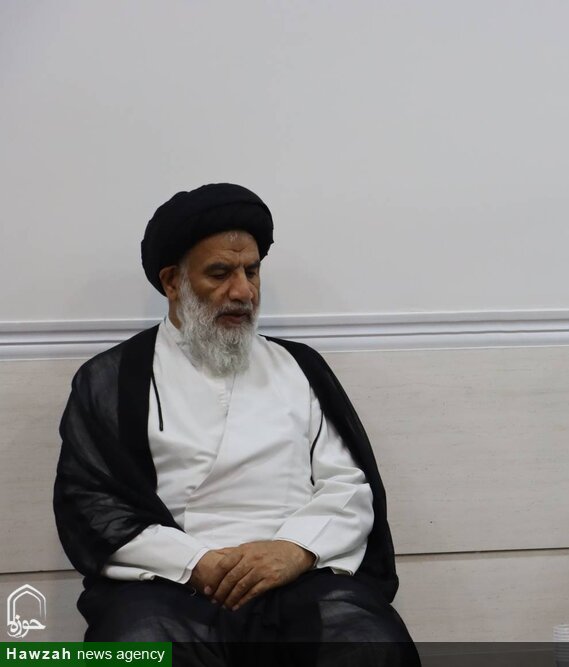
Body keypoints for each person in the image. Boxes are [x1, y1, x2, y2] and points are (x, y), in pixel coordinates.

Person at [54, 183, 420, 666]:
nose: (243, 292)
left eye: (252, 271)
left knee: (367, 644)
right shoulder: (112, 379)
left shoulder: (299, 367)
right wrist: (196, 562)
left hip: (295, 576)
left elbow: (348, 487)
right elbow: (91, 504)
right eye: (220, 273)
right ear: (172, 282)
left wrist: (295, 550)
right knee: (139, 647)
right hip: (166, 581)